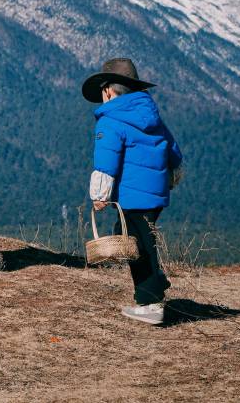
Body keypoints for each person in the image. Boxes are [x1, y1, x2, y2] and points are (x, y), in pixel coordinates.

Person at [83, 57, 184, 325]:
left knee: (137, 246)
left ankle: (150, 302)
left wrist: (100, 195)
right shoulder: (151, 116)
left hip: (132, 194)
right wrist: (173, 175)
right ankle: (156, 282)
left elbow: (106, 161)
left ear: (107, 91)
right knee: (135, 239)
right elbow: (173, 150)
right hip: (156, 193)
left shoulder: (111, 120)